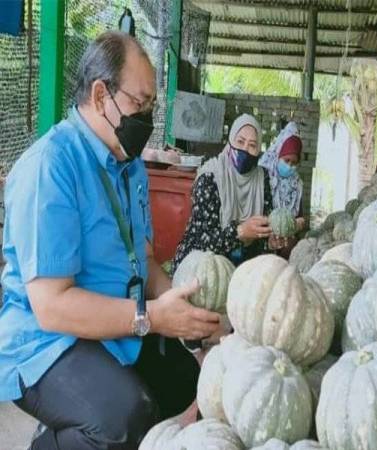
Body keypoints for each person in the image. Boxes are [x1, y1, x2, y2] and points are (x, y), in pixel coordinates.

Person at [0, 31, 222, 450]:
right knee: (123, 417)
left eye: (152, 105)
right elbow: (52, 307)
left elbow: (147, 260)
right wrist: (153, 318)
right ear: (101, 96)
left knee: (189, 379)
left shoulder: (130, 164)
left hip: (112, 322)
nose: (148, 118)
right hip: (45, 340)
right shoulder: (51, 166)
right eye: (140, 103)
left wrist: (187, 313)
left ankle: (67, 428)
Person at [172, 114, 273, 271]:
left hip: (245, 269)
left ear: (259, 150)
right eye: (240, 142)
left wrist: (272, 241)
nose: (244, 149)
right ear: (230, 142)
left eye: (252, 145)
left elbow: (264, 229)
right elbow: (203, 242)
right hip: (202, 267)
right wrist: (240, 232)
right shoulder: (211, 176)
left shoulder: (262, 178)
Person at [258, 121, 306, 257]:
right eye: (286, 160)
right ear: (278, 154)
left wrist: (296, 225)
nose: (290, 166)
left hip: (286, 245)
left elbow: (301, 217)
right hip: (262, 242)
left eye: (294, 163)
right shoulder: (263, 176)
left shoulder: (297, 184)